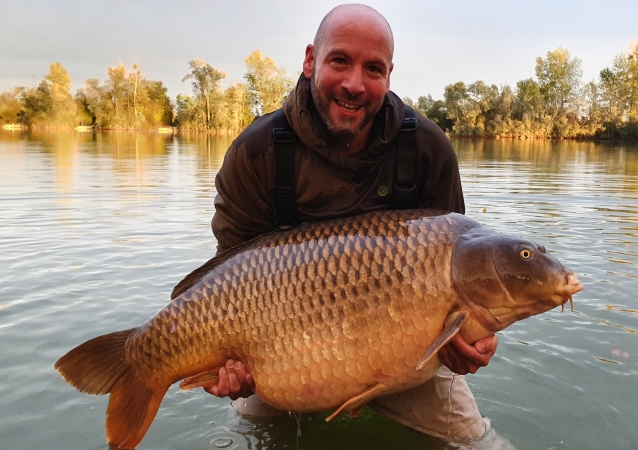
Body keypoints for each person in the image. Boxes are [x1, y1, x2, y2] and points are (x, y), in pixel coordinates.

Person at [204, 3, 498, 442]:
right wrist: (228, 366)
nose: (354, 84)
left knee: (479, 443)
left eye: (373, 69)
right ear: (310, 61)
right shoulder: (256, 153)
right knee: (247, 433)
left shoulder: (428, 149)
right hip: (283, 357)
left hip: (407, 359)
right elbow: (227, 281)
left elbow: (459, 271)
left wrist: (470, 341)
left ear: (389, 75)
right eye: (340, 60)